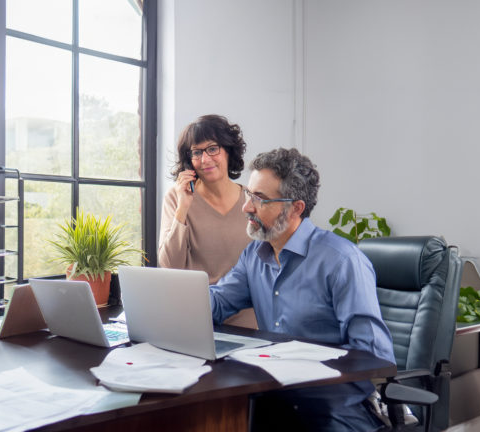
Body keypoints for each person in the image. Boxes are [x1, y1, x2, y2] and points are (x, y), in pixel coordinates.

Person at [209, 148, 395, 431]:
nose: (247, 206)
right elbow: (218, 303)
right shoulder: (254, 256)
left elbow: (373, 356)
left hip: (336, 400)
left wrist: (305, 368)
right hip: (276, 391)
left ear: (295, 208)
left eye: (260, 199)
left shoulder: (342, 261)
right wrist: (171, 303)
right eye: (249, 194)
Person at [158, 114, 251, 285]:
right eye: (196, 152)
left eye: (213, 149)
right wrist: (183, 208)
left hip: (247, 308)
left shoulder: (252, 200)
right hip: (198, 307)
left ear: (229, 151)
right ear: (189, 161)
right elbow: (170, 265)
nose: (205, 159)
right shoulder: (176, 198)